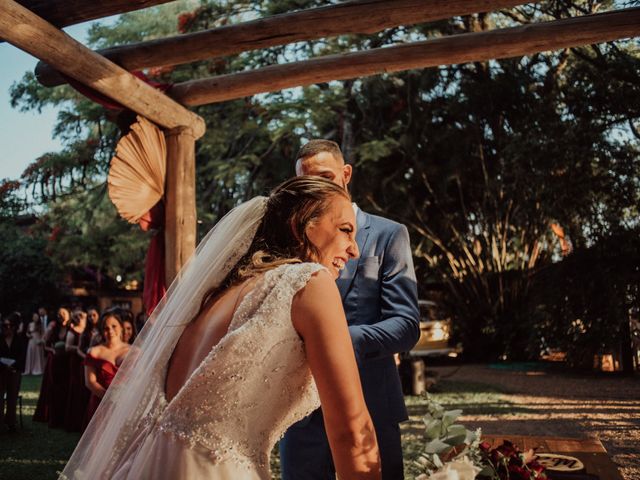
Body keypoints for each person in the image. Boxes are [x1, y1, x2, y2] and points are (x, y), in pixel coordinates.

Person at [62, 176, 381, 480]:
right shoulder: (309, 283)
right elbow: (351, 430)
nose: (354, 249)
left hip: (150, 464)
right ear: (301, 227)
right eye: (345, 230)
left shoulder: (211, 299)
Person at [281, 140, 420, 480]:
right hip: (301, 417)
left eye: (327, 176)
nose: (319, 188)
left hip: (371, 406)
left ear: (346, 174)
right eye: (309, 181)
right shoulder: (289, 241)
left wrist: (338, 342)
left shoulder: (389, 235)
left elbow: (405, 324)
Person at [83, 311, 130, 428]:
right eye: (105, 328)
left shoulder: (134, 351)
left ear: (121, 327)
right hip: (100, 402)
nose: (110, 331)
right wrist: (109, 397)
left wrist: (124, 397)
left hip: (126, 402)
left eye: (114, 326)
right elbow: (90, 382)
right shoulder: (94, 351)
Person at [0, 313, 27, 432]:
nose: (6, 328)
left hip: (15, 371)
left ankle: (11, 422)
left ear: (14, 327)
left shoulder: (19, 339)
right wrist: (4, 366)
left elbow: (22, 356)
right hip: (1, 371)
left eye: (9, 326)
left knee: (12, 397)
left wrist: (14, 366)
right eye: (4, 326)